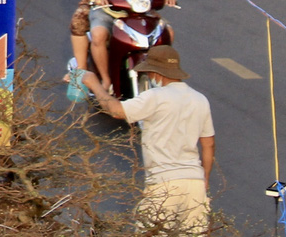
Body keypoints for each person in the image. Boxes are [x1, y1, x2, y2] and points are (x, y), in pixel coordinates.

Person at [82, 45, 214, 235]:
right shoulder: (199, 99)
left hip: (164, 183)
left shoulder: (155, 97)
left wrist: (94, 84)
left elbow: (116, 110)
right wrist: (205, 179)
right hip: (194, 182)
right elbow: (208, 144)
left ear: (156, 73)